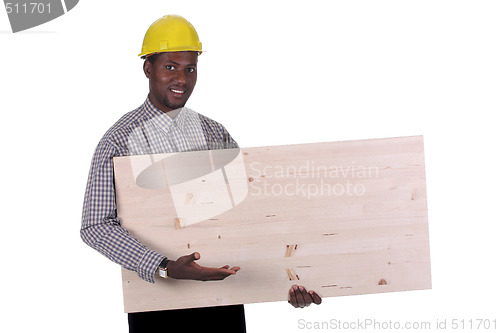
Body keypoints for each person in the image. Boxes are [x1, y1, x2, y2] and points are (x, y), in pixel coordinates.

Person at [81, 14, 322, 333]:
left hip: (223, 302)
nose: (181, 78)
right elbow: (95, 225)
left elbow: (251, 216)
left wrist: (289, 283)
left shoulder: (215, 135)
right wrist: (164, 267)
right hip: (157, 307)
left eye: (190, 68)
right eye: (170, 67)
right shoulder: (119, 140)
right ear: (148, 68)